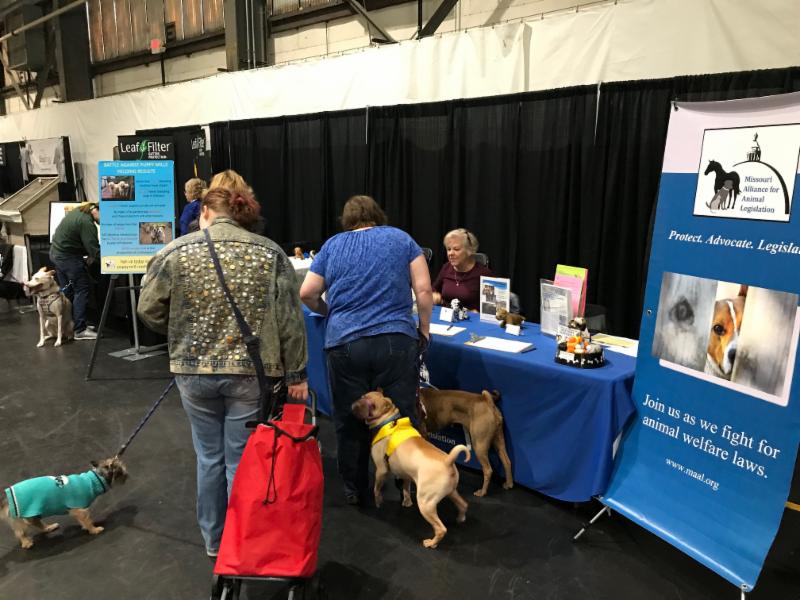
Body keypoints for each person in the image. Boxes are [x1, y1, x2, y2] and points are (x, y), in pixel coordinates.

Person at [137, 186, 309, 557]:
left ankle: (214, 541)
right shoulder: (270, 253)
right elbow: (290, 322)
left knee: (208, 457)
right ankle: (241, 541)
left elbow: (148, 309)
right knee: (239, 460)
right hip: (251, 373)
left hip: (193, 371)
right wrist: (297, 374)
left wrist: (180, 329)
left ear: (204, 212)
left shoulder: (175, 251)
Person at [299, 195, 433, 506]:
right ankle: (409, 486)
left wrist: (331, 312)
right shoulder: (402, 239)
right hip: (396, 339)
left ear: (346, 220)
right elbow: (424, 290)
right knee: (404, 416)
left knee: (349, 418)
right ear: (378, 215)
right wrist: (424, 329)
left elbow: (307, 293)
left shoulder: (332, 246)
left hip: (345, 343)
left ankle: (355, 489)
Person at [49, 202, 100, 340]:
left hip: (56, 254)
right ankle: (80, 330)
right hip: (67, 257)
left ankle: (71, 325)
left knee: (68, 292)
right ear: (98, 211)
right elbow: (94, 249)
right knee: (82, 289)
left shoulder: (80, 211)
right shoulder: (86, 222)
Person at [432, 228, 493, 311]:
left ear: (469, 251)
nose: (450, 253)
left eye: (456, 249)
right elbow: (434, 289)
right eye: (449, 249)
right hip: (446, 315)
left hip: (471, 318)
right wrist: (434, 295)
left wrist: (479, 312)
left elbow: (491, 307)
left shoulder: (484, 274)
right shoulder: (446, 268)